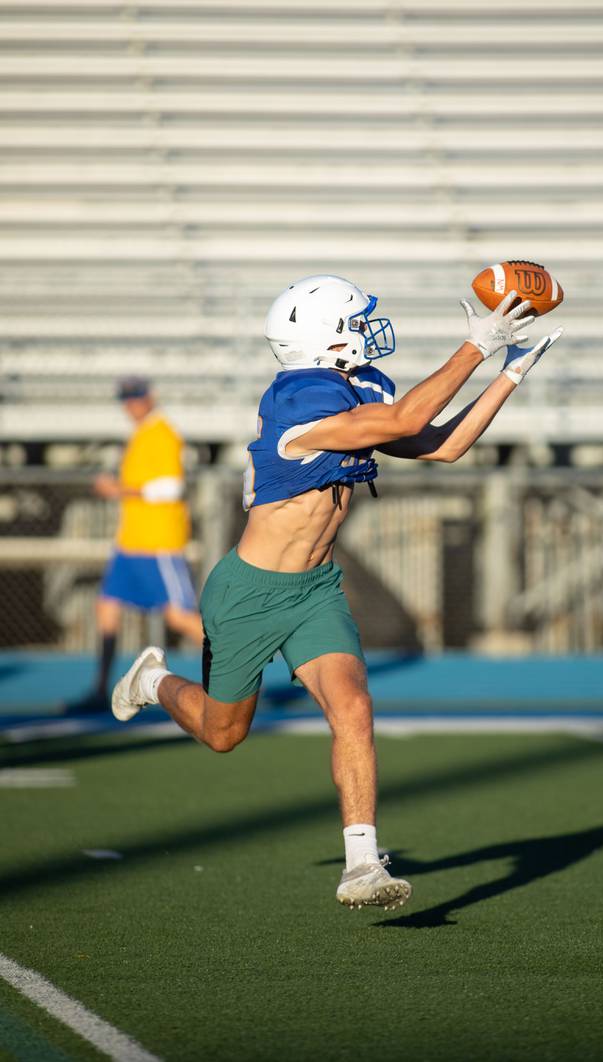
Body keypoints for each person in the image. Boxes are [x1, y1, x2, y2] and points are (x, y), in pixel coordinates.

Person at [112, 275, 563, 909]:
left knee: (352, 706)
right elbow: (409, 416)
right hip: (248, 592)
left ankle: (361, 866)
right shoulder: (300, 403)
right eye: (356, 322)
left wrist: (510, 374)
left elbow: (444, 444)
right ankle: (154, 681)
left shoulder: (343, 395)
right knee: (223, 734)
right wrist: (475, 348)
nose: (368, 333)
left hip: (315, 589)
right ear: (325, 338)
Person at [68, 377, 204, 713]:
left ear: (150, 398)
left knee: (180, 618)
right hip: (131, 543)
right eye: (126, 400)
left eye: (136, 398)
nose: (130, 405)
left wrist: (118, 491)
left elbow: (171, 488)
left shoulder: (162, 434)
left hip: (158, 542)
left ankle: (239, 673)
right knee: (107, 607)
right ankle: (100, 689)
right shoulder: (142, 434)